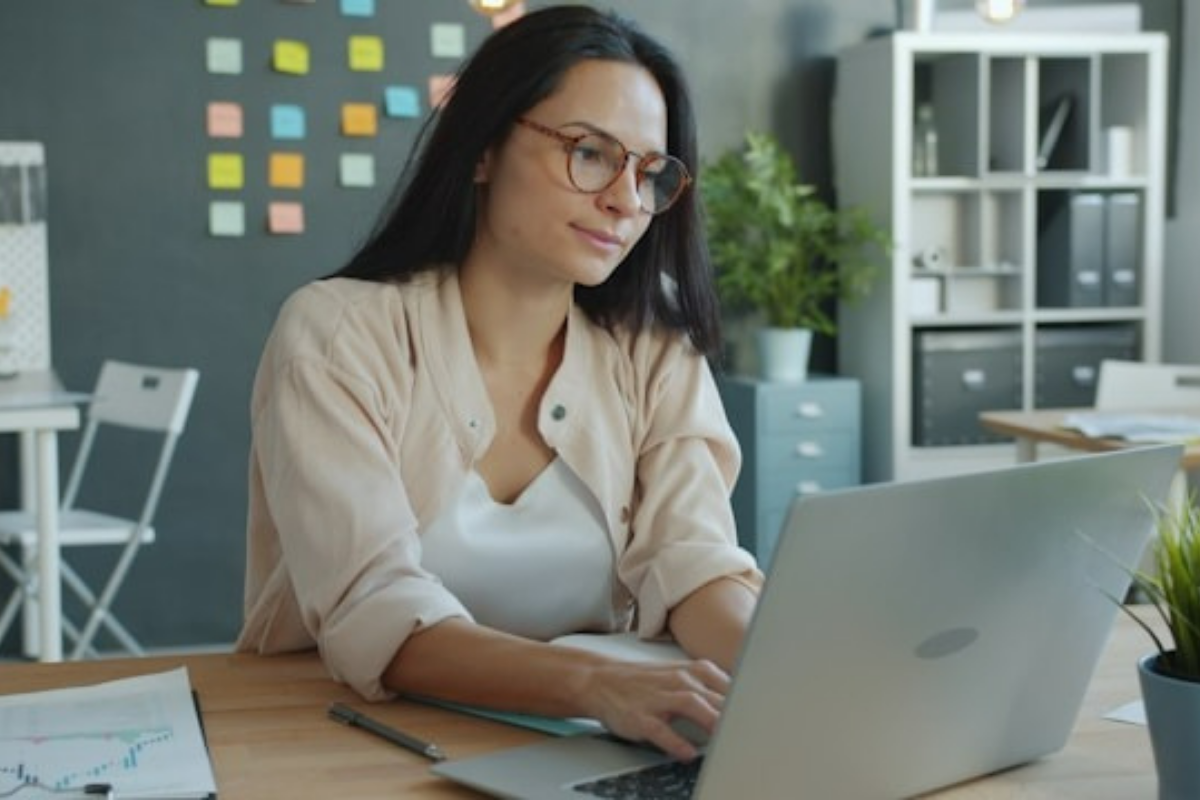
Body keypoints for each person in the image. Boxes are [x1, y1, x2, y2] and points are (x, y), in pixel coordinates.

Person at [236, 4, 761, 761]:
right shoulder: (339, 334)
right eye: (589, 152)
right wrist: (592, 684)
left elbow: (694, 564)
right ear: (482, 148)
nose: (623, 199)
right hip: (358, 744)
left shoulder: (653, 344)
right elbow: (375, 607)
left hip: (593, 751)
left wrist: (784, 674)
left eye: (649, 173)